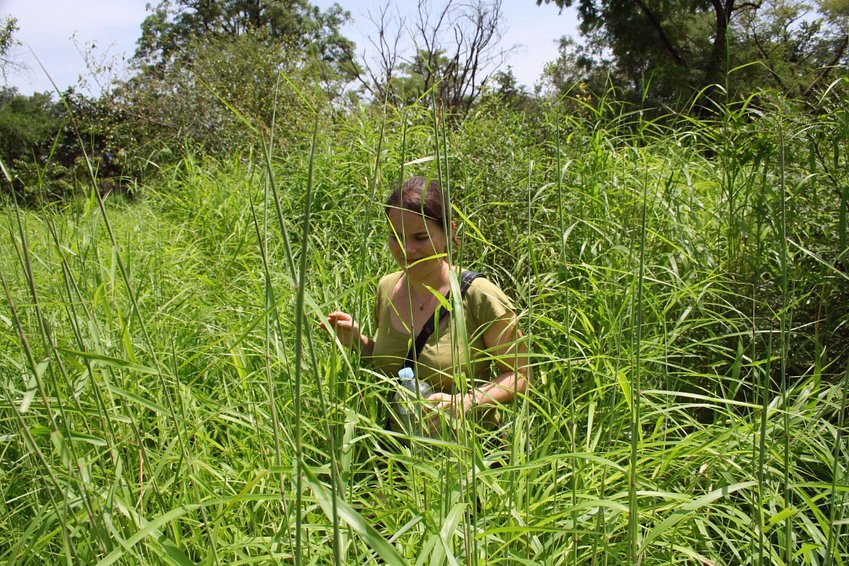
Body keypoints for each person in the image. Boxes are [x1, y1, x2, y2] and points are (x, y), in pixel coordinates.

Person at [327, 176, 529, 434]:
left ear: (449, 232)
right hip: (398, 456)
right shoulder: (386, 287)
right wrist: (360, 343)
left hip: (471, 458)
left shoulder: (479, 295)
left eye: (420, 237)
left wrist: (465, 402)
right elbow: (399, 367)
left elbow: (521, 375)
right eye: (396, 236)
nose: (407, 249)